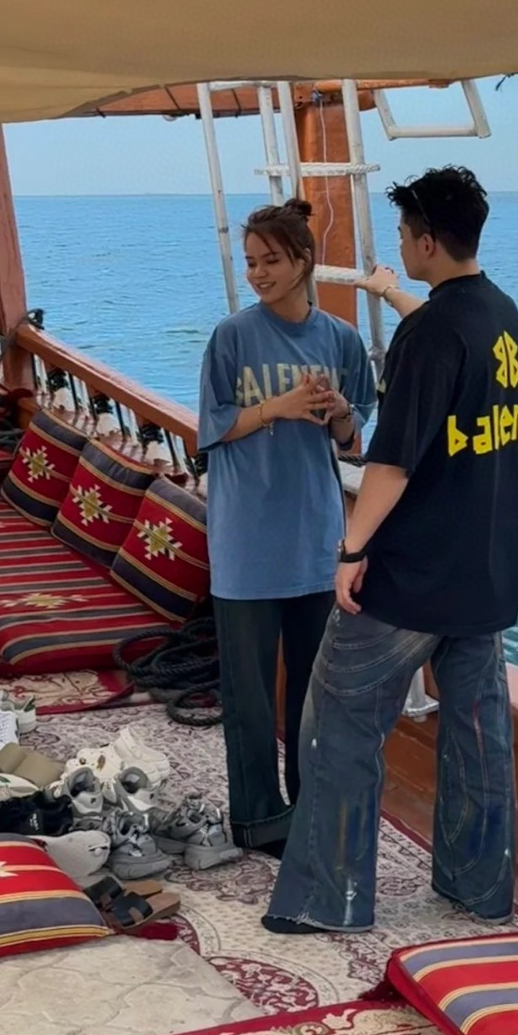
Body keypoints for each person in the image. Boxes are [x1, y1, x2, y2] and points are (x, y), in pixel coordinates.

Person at [263, 165, 518, 935]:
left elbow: (390, 464)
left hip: (413, 574)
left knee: (338, 721)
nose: (403, 247)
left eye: (406, 236)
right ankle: (479, 888)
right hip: (486, 571)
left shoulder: (431, 335)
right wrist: (392, 296)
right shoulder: (503, 317)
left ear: (426, 241)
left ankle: (329, 900)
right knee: (478, 736)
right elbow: (449, 341)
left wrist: (351, 549)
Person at [198, 197, 376, 858]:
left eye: (270, 260)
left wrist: (335, 410)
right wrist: (279, 405)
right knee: (248, 696)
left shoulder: (341, 340)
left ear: (303, 261)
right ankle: (255, 821)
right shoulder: (232, 337)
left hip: (313, 537)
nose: (258, 273)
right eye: (250, 262)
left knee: (312, 693)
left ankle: (308, 810)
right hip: (246, 539)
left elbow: (354, 438)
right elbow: (213, 427)